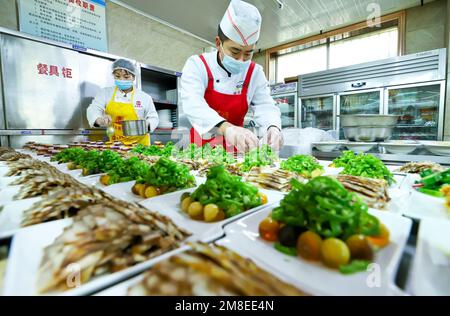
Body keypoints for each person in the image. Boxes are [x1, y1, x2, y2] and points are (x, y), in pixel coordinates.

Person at [180, 0, 283, 152]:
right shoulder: (198, 65)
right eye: (235, 52)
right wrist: (227, 128)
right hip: (199, 150)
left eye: (248, 53)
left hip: (236, 152)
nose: (241, 60)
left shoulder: (255, 72)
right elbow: (193, 104)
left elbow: (265, 105)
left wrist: (273, 127)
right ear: (218, 43)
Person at [87, 58, 159, 146]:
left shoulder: (145, 97)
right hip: (116, 145)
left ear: (133, 77)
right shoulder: (105, 93)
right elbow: (93, 108)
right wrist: (99, 119)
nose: (121, 80)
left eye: (126, 77)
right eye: (117, 76)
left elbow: (153, 118)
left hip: (140, 146)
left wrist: (147, 124)